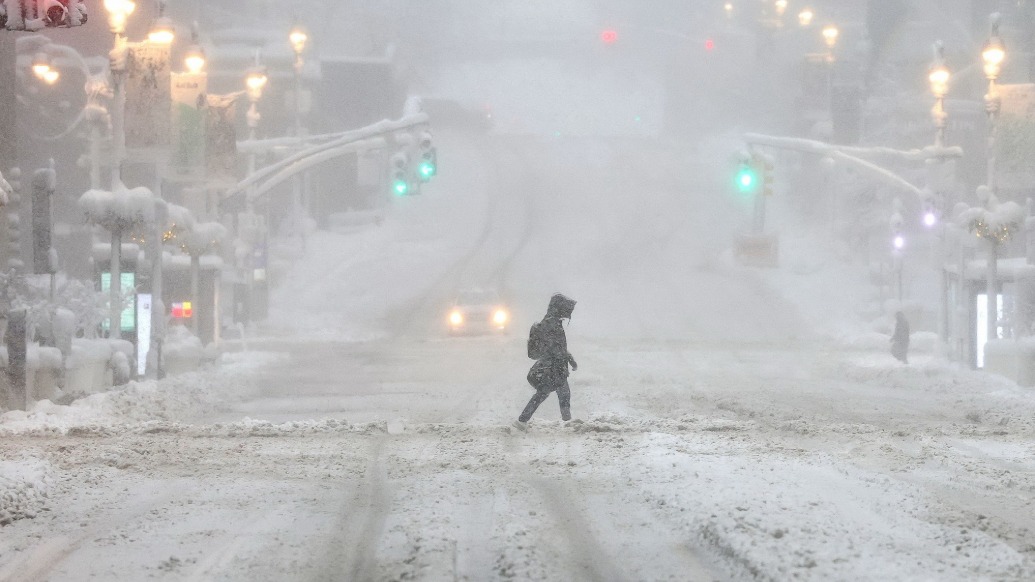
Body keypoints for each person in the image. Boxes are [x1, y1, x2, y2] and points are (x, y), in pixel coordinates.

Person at [514, 293, 578, 430]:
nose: (568, 312)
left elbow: (558, 348)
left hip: (554, 367)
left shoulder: (552, 321)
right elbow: (555, 348)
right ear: (558, 307)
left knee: (557, 394)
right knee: (551, 394)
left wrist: (569, 359)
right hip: (553, 367)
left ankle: (523, 421)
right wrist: (567, 359)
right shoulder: (551, 324)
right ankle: (522, 421)